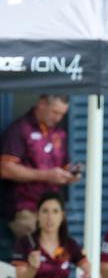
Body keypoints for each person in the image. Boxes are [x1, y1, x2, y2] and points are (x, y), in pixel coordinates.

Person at [1, 94, 81, 238]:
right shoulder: (20, 129)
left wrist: (71, 173)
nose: (58, 118)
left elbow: (64, 165)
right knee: (35, 250)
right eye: (55, 112)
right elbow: (5, 168)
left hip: (53, 206)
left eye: (62, 114)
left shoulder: (59, 133)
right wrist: (47, 175)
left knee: (59, 250)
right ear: (42, 104)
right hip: (24, 208)